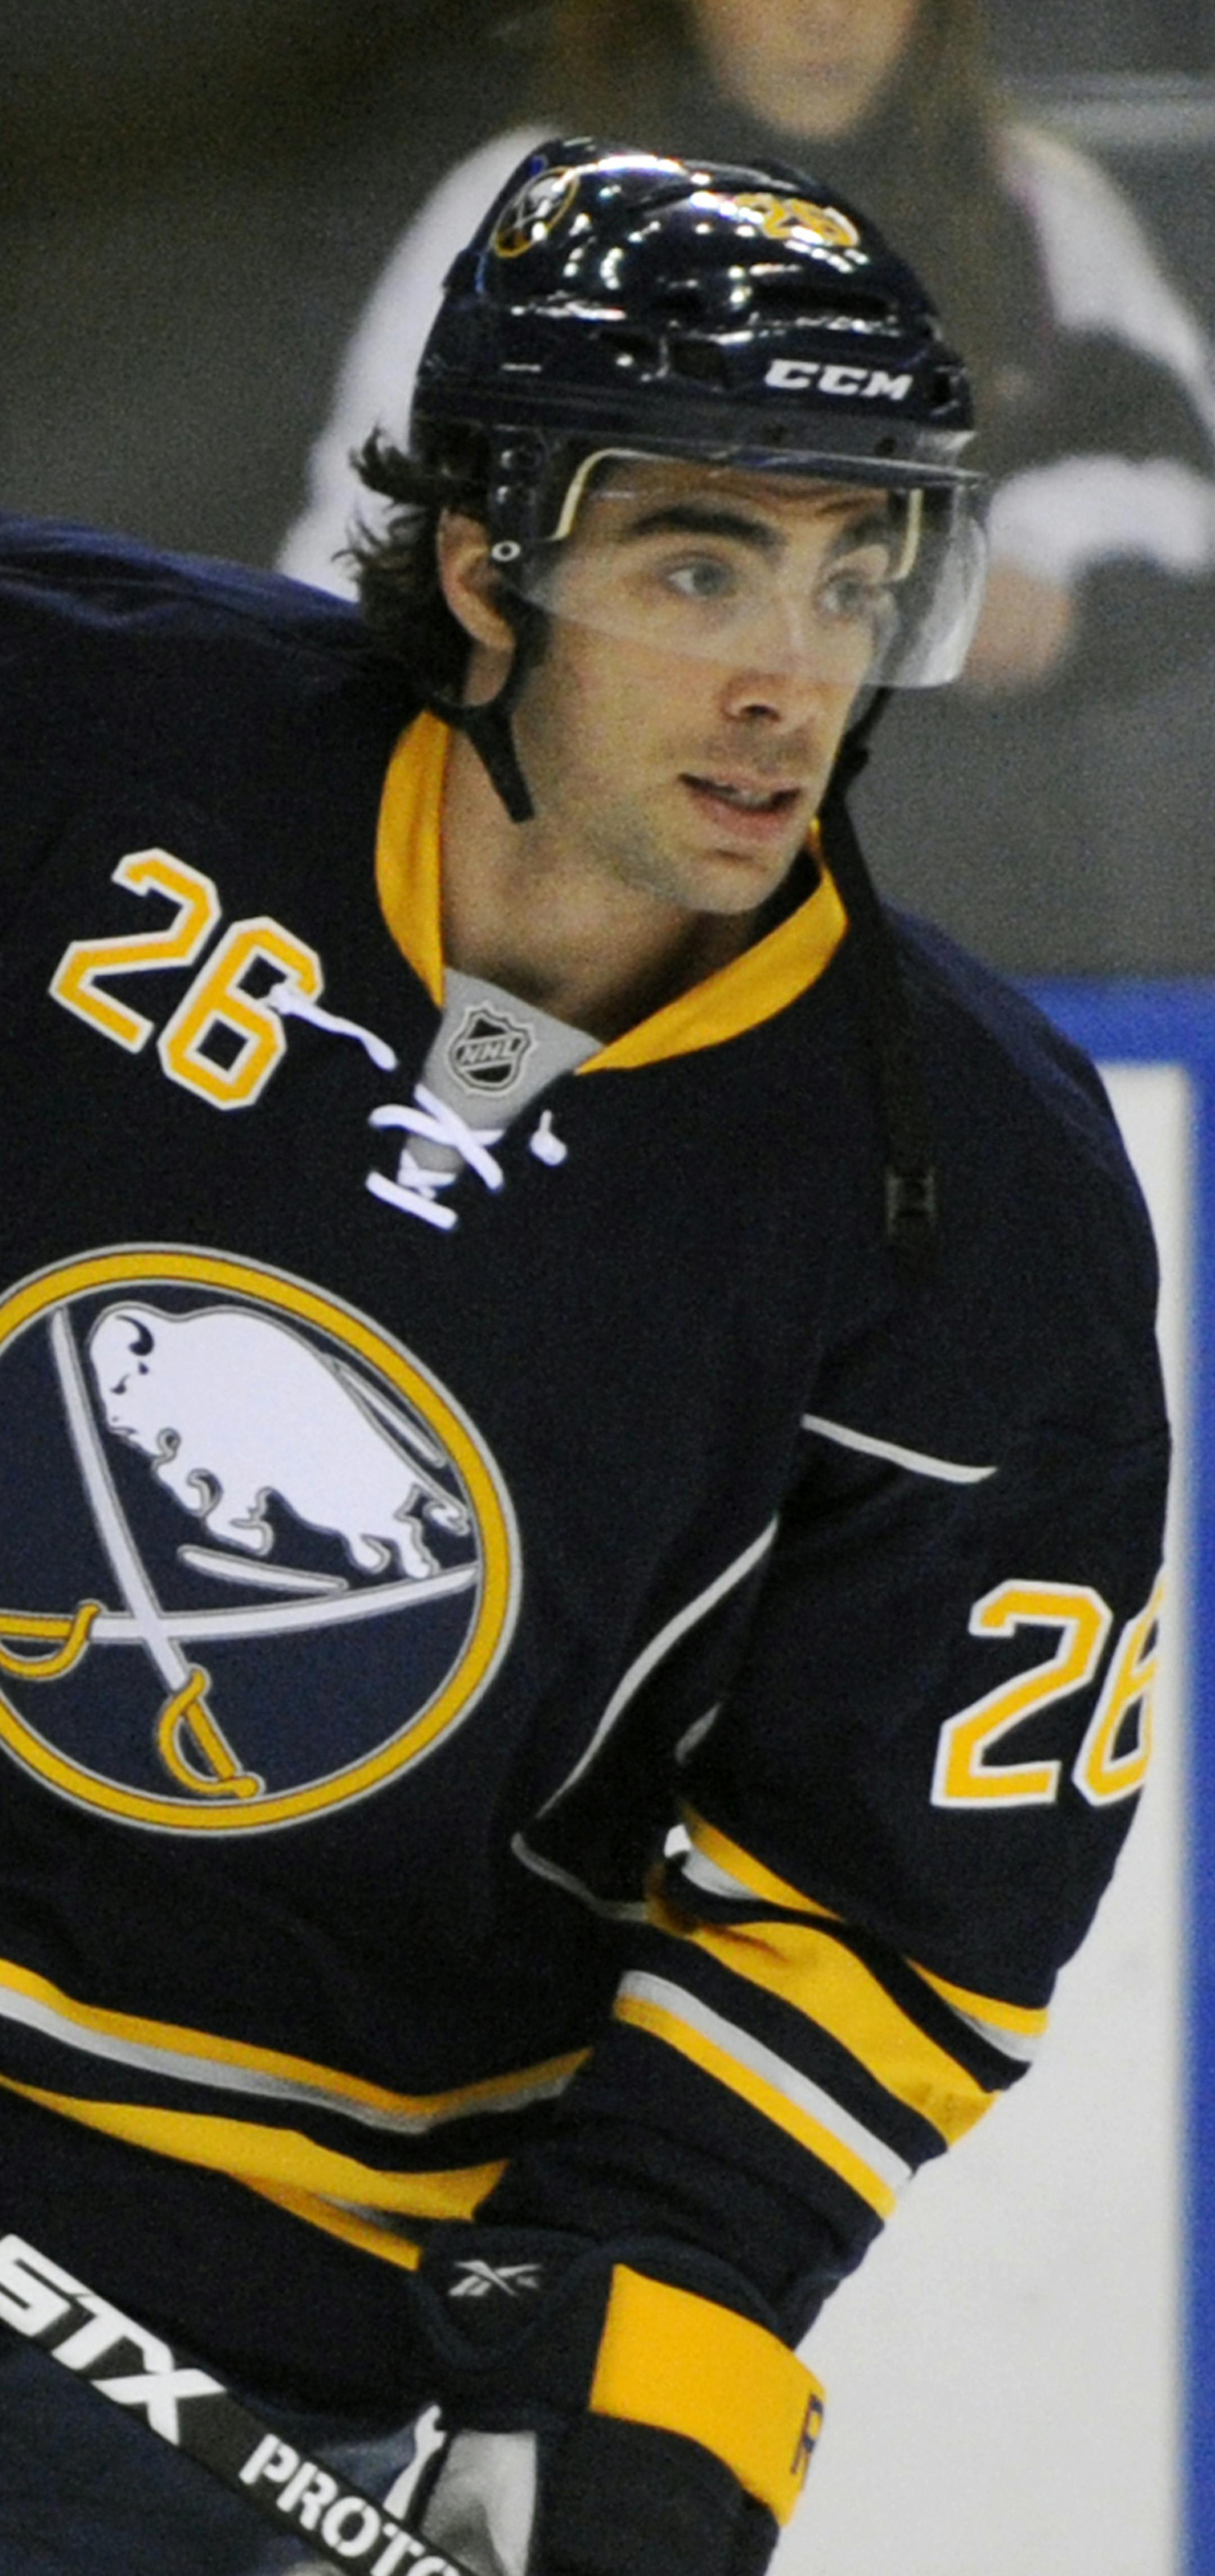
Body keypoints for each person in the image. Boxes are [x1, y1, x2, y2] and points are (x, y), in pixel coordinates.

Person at [0, 140, 1168, 2576]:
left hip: (261, 2307)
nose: (792, 675)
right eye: (700, 563)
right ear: (481, 562)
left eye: (865, 578)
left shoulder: (969, 1209)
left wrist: (640, 2351)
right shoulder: (78, 747)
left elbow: (887, 1907)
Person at [278, 0, 1215, 972]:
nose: (826, 16)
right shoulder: (540, 208)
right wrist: (350, 848)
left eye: (851, 585)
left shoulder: (1035, 204)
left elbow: (1188, 482)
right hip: (593, 920)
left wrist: (1045, 570)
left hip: (969, 907)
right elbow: (372, 537)